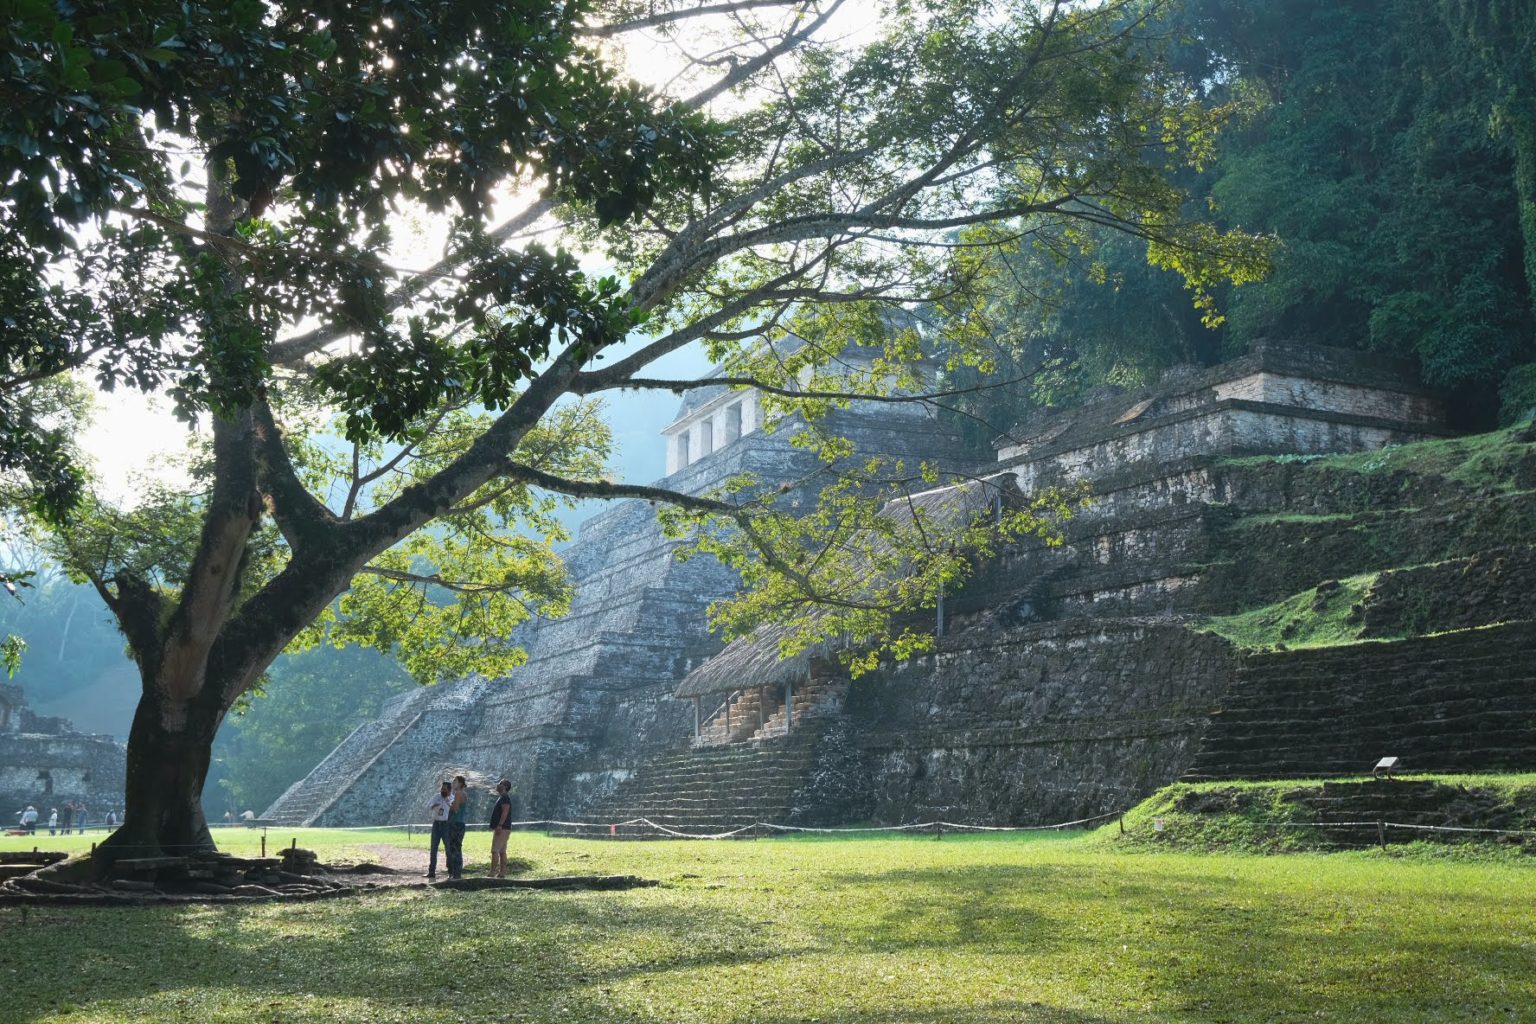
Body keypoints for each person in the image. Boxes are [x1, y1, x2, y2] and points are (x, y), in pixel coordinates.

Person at [426, 781, 453, 880]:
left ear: (449, 790)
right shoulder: (436, 796)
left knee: (448, 849)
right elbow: (429, 806)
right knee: (433, 848)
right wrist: (435, 806)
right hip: (436, 824)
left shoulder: (452, 798)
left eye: (445, 789)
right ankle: (431, 872)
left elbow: (453, 809)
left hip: (446, 824)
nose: (443, 790)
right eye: (442, 788)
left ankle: (451, 871)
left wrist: (447, 801)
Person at [488, 779, 513, 878]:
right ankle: (502, 873)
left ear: (505, 787)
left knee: (495, 850)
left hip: (502, 828)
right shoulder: (502, 797)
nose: (498, 785)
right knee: (502, 852)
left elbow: (505, 812)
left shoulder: (505, 798)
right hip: (504, 828)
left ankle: (492, 872)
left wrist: (499, 825)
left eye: (500, 783)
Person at [445, 776, 469, 880]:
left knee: (454, 849)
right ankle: (456, 873)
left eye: (455, 781)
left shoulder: (459, 793)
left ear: (460, 783)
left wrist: (448, 803)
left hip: (455, 823)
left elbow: (455, 809)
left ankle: (456, 873)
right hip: (460, 823)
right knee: (456, 848)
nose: (453, 783)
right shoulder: (464, 794)